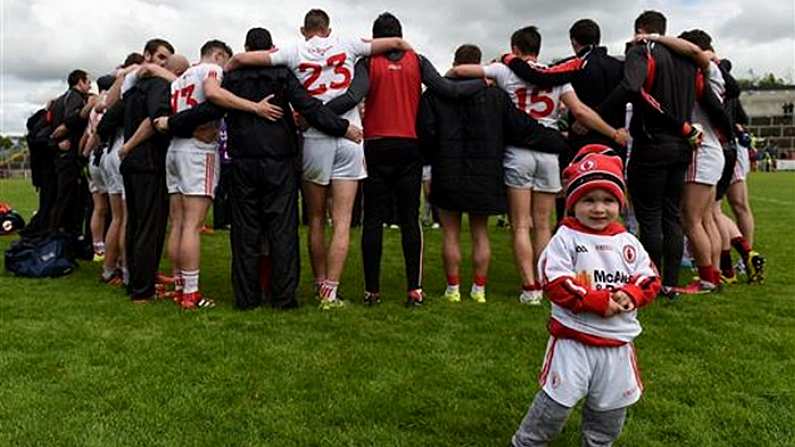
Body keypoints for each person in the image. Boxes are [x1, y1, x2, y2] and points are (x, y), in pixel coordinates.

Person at [225, 9, 412, 309]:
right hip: (349, 135)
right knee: (341, 221)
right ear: (328, 28)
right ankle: (330, 293)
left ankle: (317, 281)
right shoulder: (348, 43)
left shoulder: (292, 49)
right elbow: (398, 44)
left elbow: (247, 59)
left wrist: (232, 62)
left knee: (314, 219)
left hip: (314, 137)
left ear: (304, 30)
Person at [166, 27, 362, 310]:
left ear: (247, 48)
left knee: (245, 232)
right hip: (279, 160)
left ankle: (246, 297)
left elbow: (210, 107)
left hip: (243, 161)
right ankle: (283, 297)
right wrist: (343, 127)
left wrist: (176, 126)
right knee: (282, 230)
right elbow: (308, 106)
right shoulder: (282, 74)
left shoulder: (230, 77)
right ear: (270, 50)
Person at [451, 26, 628, 305]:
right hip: (548, 152)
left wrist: (488, 67)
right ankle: (547, 282)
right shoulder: (556, 74)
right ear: (539, 48)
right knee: (543, 225)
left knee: (521, 225)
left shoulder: (505, 70)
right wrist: (612, 132)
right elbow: (580, 111)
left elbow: (461, 72)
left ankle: (529, 288)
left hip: (517, 152)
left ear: (515, 48)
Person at [321, 12, 488, 306]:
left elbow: (351, 97)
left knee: (372, 220)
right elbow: (448, 89)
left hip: (375, 146)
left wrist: (315, 114)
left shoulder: (367, 63)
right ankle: (415, 290)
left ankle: (372, 291)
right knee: (410, 220)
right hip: (410, 147)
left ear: (376, 38)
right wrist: (481, 82)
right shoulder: (418, 60)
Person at [511, 147, 660, 447]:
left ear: (620, 202)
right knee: (553, 407)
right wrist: (596, 302)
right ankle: (526, 443)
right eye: (588, 200)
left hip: (617, 344)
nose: (599, 209)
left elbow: (649, 277)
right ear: (572, 202)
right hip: (573, 341)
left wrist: (631, 295)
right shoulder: (564, 239)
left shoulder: (627, 241)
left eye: (608, 200)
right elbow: (555, 281)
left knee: (609, 413)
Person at [418, 43, 553, 304]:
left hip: (447, 169)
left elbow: (426, 134)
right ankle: (479, 289)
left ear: (456, 63)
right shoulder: (496, 95)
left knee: (451, 233)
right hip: (486, 172)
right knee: (480, 232)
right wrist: (555, 140)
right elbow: (516, 129)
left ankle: (453, 288)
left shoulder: (434, 95)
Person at [597, 11, 700, 298]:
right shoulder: (686, 59)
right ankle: (669, 283)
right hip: (681, 145)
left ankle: (651, 281)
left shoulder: (642, 50)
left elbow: (632, 86)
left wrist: (599, 113)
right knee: (671, 216)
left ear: (640, 30)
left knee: (650, 217)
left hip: (653, 143)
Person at [118, 38, 176, 302]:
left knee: (135, 224)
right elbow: (154, 121)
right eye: (161, 57)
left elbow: (109, 114)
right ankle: (143, 290)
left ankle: (135, 283)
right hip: (148, 161)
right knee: (149, 227)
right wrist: (130, 146)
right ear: (147, 55)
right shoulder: (157, 85)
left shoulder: (131, 89)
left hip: (131, 163)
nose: (164, 63)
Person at [48, 69, 92, 236]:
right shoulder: (75, 98)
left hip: (61, 154)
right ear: (79, 82)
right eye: (88, 82)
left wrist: (55, 141)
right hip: (70, 155)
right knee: (69, 198)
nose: (89, 86)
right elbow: (71, 118)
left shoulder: (59, 100)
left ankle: (58, 234)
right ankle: (59, 237)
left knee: (63, 196)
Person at [80, 75, 116, 262]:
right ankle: (111, 252)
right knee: (116, 211)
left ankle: (98, 247)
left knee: (99, 207)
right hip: (106, 153)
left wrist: (83, 155)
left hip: (93, 156)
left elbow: (88, 134)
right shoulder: (109, 103)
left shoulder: (94, 107)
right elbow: (99, 133)